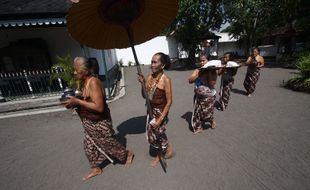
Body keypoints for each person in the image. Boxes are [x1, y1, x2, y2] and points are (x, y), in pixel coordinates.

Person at [62, 57, 134, 181]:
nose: (74, 73)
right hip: (89, 121)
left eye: (76, 70)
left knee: (108, 144)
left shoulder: (94, 82)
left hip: (100, 122)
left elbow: (99, 107)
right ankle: (96, 168)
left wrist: (77, 101)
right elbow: (86, 99)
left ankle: (128, 154)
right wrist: (74, 101)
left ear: (85, 70)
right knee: (89, 145)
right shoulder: (85, 81)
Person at [137, 52, 173, 166]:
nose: (152, 64)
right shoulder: (149, 77)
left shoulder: (166, 79)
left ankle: (161, 153)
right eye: (151, 61)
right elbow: (145, 96)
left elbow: (170, 101)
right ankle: (166, 146)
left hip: (161, 111)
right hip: (151, 110)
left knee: (158, 132)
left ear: (162, 65)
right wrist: (142, 84)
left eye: (155, 62)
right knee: (152, 134)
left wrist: (160, 119)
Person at [189, 53, 217, 134]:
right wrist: (198, 74)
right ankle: (198, 127)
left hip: (209, 97)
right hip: (198, 96)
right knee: (197, 112)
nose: (201, 62)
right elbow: (190, 80)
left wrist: (208, 72)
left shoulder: (213, 71)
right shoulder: (197, 70)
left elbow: (212, 84)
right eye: (200, 61)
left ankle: (211, 120)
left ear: (208, 61)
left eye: (203, 60)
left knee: (206, 113)